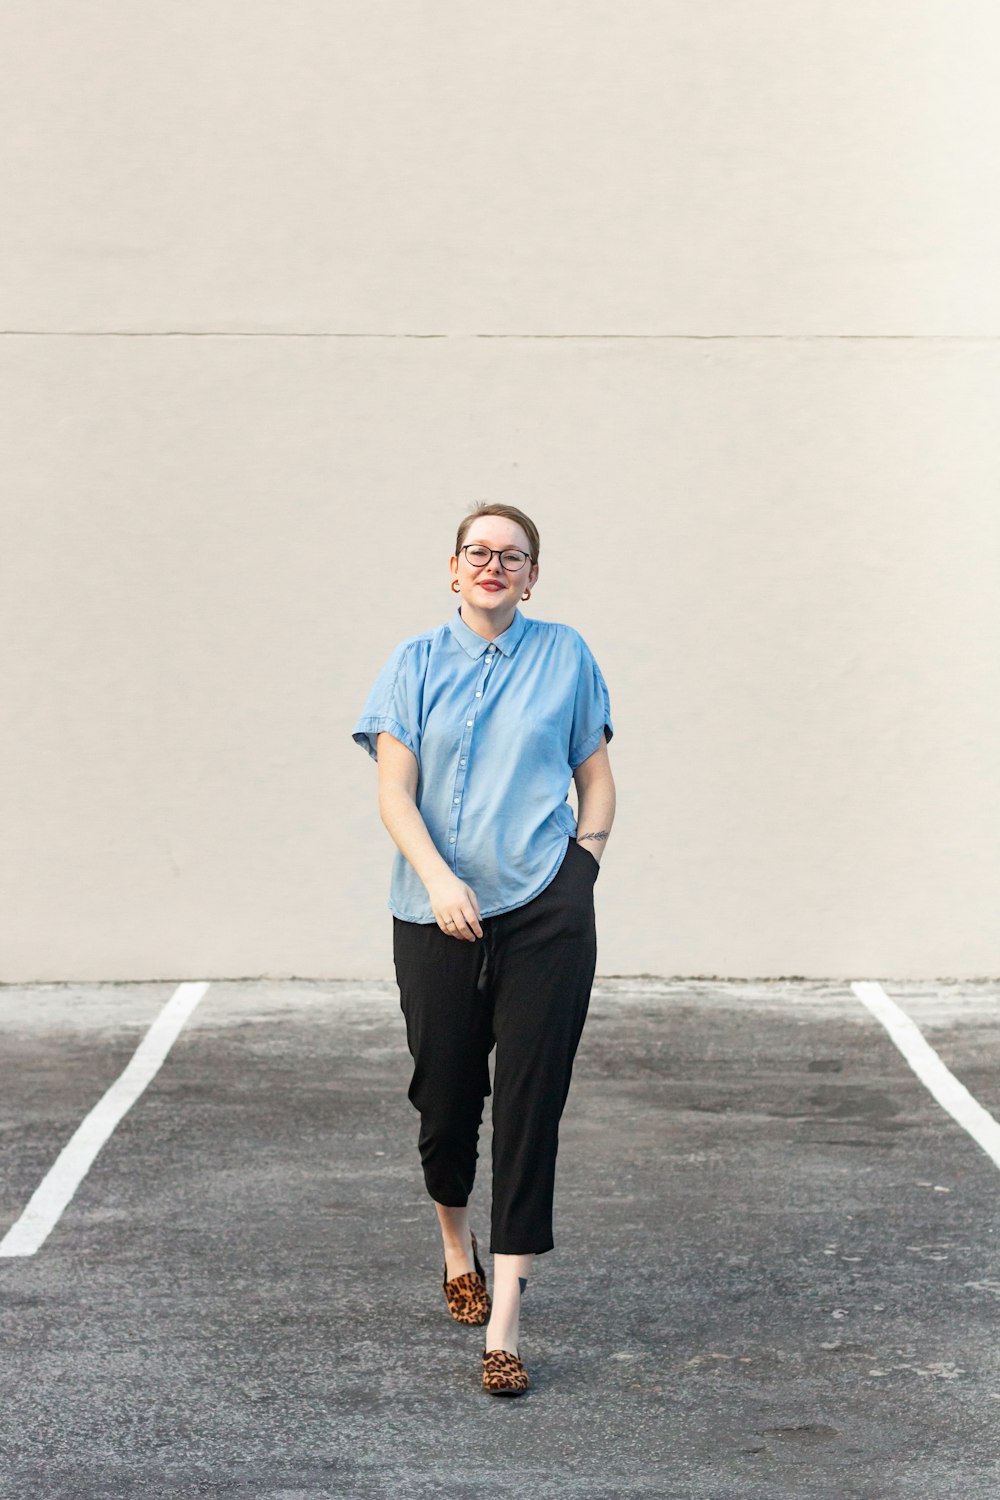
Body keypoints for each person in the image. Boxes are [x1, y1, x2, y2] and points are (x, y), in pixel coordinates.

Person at [351, 502, 616, 1396]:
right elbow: (395, 792)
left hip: (546, 910)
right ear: (453, 569)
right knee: (445, 1095)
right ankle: (454, 1249)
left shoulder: (567, 655)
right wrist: (437, 880)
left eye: (513, 555)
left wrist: (582, 869)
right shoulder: (412, 664)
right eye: (479, 552)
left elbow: (597, 777)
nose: (494, 564)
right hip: (436, 914)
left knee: (531, 1108)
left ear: (533, 576)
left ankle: (504, 1322)